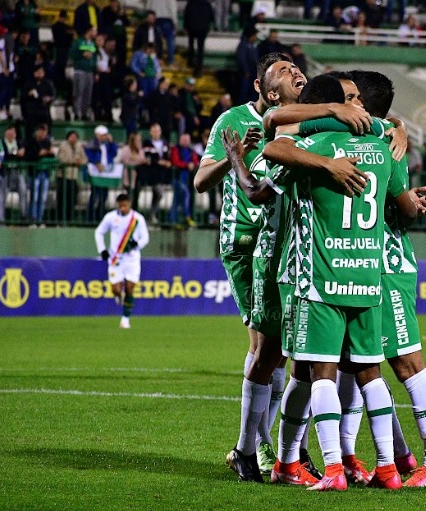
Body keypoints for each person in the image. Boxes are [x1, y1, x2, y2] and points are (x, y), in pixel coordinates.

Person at [262, 76, 421, 493]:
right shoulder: (383, 144)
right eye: (349, 100)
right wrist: (398, 126)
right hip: (368, 278)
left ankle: (332, 468)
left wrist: (323, 149)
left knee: (319, 374)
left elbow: (271, 145)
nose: (356, 106)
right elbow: (403, 198)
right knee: (370, 374)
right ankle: (388, 468)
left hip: (319, 278)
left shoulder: (314, 148)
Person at [349, 68, 426, 489]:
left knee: (407, 361)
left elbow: (404, 210)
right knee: (359, 365)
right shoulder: (379, 138)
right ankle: (388, 460)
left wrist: (409, 203)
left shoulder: (384, 144)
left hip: (388, 267)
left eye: (351, 96)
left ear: (363, 106)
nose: (345, 102)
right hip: (363, 266)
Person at [193, 52, 291, 483]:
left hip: (282, 241)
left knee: (280, 351)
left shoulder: (295, 123)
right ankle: (257, 449)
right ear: (262, 88)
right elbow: (200, 181)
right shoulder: (232, 120)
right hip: (245, 242)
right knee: (263, 347)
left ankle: (260, 448)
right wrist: (238, 155)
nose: (296, 77)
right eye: (285, 72)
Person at [94, 193, 150, 329]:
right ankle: (119, 296)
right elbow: (99, 232)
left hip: (131, 258)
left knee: (130, 288)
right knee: (116, 289)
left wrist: (136, 244)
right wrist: (102, 249)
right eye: (120, 206)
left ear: (129, 204)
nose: (123, 208)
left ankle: (125, 319)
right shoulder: (111, 217)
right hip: (115, 258)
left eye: (125, 205)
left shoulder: (137, 219)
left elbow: (145, 238)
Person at [85, 125, 119, 222]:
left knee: (104, 196)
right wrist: (96, 163)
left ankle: (100, 217)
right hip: (96, 173)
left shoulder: (107, 145)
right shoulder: (91, 145)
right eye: (102, 135)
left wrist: (112, 142)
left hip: (106, 173)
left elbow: (114, 153)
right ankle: (90, 218)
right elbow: (88, 155)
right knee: (94, 195)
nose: (103, 137)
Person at [23, 123, 55, 226]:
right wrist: (39, 154)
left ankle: (39, 219)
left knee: (43, 198)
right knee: (34, 197)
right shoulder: (31, 142)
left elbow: (51, 155)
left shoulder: (47, 142)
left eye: (44, 131)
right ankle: (32, 219)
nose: (43, 133)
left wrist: (46, 153)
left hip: (44, 174)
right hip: (34, 173)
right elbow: (29, 156)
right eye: (41, 130)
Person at [141, 122, 171, 223]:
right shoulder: (146, 143)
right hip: (152, 173)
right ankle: (152, 213)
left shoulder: (165, 143)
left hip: (162, 174)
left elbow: (167, 156)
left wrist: (167, 162)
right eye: (153, 131)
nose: (155, 133)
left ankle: (152, 214)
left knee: (157, 194)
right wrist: (158, 162)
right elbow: (147, 157)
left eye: (157, 131)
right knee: (159, 193)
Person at [56, 130, 88, 224]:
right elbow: (62, 159)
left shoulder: (79, 146)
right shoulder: (63, 146)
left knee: (72, 199)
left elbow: (85, 158)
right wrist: (73, 161)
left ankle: (70, 219)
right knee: (62, 200)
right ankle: (60, 220)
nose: (73, 139)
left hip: (73, 177)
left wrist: (80, 162)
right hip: (64, 176)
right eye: (72, 136)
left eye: (75, 137)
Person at [168, 133, 199, 227]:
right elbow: (175, 161)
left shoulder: (191, 150)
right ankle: (187, 216)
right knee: (185, 194)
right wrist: (186, 165)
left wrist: (193, 164)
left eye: (187, 139)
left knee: (177, 200)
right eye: (183, 139)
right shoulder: (175, 149)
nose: (185, 141)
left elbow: (196, 161)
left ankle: (173, 220)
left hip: (188, 180)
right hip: (177, 178)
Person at [70, 25, 97, 121]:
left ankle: (85, 113)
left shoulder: (93, 44)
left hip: (89, 71)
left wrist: (95, 70)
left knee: (88, 93)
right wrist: (82, 54)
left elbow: (94, 58)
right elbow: (72, 54)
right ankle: (77, 113)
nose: (95, 33)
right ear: (89, 31)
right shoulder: (78, 42)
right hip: (80, 70)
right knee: (79, 92)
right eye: (94, 31)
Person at [1, 125, 27, 221]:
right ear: (6, 133)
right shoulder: (2, 143)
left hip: (17, 170)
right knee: (3, 195)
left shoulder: (19, 143)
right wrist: (15, 154)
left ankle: (24, 216)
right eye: (9, 133)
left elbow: (24, 156)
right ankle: (1, 219)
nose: (11, 135)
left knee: (23, 191)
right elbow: (5, 156)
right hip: (5, 172)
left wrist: (15, 154)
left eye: (13, 133)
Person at [20, 64, 54, 138]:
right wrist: (29, 94)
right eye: (37, 72)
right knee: (30, 128)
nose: (39, 74)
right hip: (31, 111)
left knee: (46, 122)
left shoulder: (48, 83)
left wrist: (49, 99)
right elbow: (22, 97)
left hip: (43, 111)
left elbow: (52, 96)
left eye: (41, 72)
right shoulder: (28, 83)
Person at [184, 0, 214, 76]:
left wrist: (186, 27)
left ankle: (191, 61)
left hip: (192, 28)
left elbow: (186, 15)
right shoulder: (207, 4)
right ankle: (199, 68)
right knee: (200, 49)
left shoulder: (191, 3)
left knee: (191, 45)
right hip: (202, 29)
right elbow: (211, 17)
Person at [146, 0, 177, 66]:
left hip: (156, 18)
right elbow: (172, 8)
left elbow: (148, 6)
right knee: (169, 40)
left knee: (156, 40)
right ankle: (170, 60)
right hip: (167, 19)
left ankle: (156, 58)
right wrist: (175, 21)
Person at [50, 10, 74, 99]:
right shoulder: (56, 26)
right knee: (58, 69)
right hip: (59, 49)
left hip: (66, 50)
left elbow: (70, 38)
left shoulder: (68, 27)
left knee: (64, 70)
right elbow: (59, 37)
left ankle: (64, 91)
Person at [0, 28, 17, 120]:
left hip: (10, 69)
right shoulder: (3, 40)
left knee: (9, 91)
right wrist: (4, 67)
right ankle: (1, 109)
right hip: (3, 70)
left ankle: (7, 110)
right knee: (3, 90)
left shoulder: (12, 42)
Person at [236, 27, 259, 104]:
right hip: (245, 74)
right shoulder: (243, 45)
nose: (256, 37)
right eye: (255, 35)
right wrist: (246, 71)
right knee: (243, 93)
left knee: (253, 93)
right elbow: (241, 59)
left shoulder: (252, 45)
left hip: (253, 73)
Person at [119, 131, 147, 195]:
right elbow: (124, 160)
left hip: (138, 177)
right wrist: (137, 160)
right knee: (129, 195)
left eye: (139, 140)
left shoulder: (140, 150)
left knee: (136, 196)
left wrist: (136, 159)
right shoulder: (126, 149)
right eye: (137, 140)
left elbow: (142, 160)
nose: (138, 142)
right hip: (128, 176)